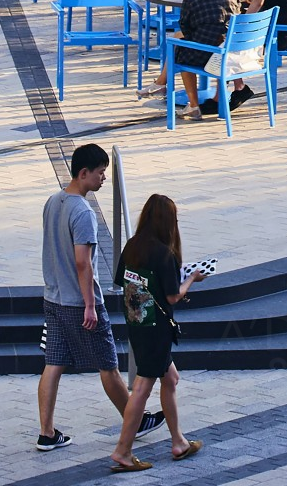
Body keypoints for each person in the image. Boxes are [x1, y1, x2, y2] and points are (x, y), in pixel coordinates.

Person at [37, 144, 164, 452]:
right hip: (79, 302)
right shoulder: (82, 211)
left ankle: (46, 432)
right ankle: (134, 419)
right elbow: (83, 262)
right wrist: (91, 304)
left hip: (53, 297)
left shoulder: (53, 202)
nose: (104, 178)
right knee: (107, 364)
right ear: (84, 173)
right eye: (100, 173)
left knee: (53, 362)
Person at [110, 194, 206, 471]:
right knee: (141, 388)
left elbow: (122, 281)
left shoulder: (132, 246)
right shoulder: (164, 253)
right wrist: (191, 278)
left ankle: (178, 442)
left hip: (137, 323)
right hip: (157, 330)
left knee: (171, 378)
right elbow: (173, 297)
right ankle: (123, 451)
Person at [149, 0, 240, 120]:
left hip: (211, 56)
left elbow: (187, 31)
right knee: (181, 41)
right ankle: (161, 84)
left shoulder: (191, 0)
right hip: (234, 53)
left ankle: (193, 105)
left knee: (181, 53)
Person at [222, 0, 287, 113]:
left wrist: (242, 25)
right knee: (229, 40)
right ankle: (238, 87)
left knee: (228, 41)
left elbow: (260, 1)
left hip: (280, 31)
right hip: (273, 25)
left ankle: (234, 89)